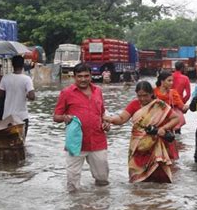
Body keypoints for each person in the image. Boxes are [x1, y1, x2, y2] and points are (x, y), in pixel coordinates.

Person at [105, 81, 179, 183]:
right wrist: (110, 119)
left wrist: (163, 128)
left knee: (157, 174)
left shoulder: (159, 105)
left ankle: (157, 196)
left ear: (152, 94)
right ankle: (140, 196)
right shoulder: (134, 105)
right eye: (139, 96)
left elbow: (175, 118)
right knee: (136, 175)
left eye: (145, 95)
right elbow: (122, 119)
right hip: (137, 145)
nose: (142, 99)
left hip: (154, 143)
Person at [53, 63, 111, 192]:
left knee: (102, 180)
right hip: (75, 143)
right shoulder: (66, 93)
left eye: (86, 76)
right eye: (79, 76)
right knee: (72, 183)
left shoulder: (98, 91)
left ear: (91, 76)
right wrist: (65, 118)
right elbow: (56, 116)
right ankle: (75, 209)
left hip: (97, 141)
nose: (83, 79)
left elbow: (102, 113)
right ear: (74, 77)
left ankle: (102, 208)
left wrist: (106, 123)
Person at [0, 55, 35, 137]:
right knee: (21, 143)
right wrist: (26, 94)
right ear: (23, 65)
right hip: (22, 117)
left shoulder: (5, 78)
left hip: (7, 118)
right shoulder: (27, 79)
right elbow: (32, 96)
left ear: (12, 65)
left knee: (8, 143)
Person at [154, 71, 188, 139]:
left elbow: (181, 107)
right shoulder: (153, 92)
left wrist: (187, 107)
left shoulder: (173, 93)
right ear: (162, 81)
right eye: (169, 81)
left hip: (169, 125)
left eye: (172, 81)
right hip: (156, 123)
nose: (171, 83)